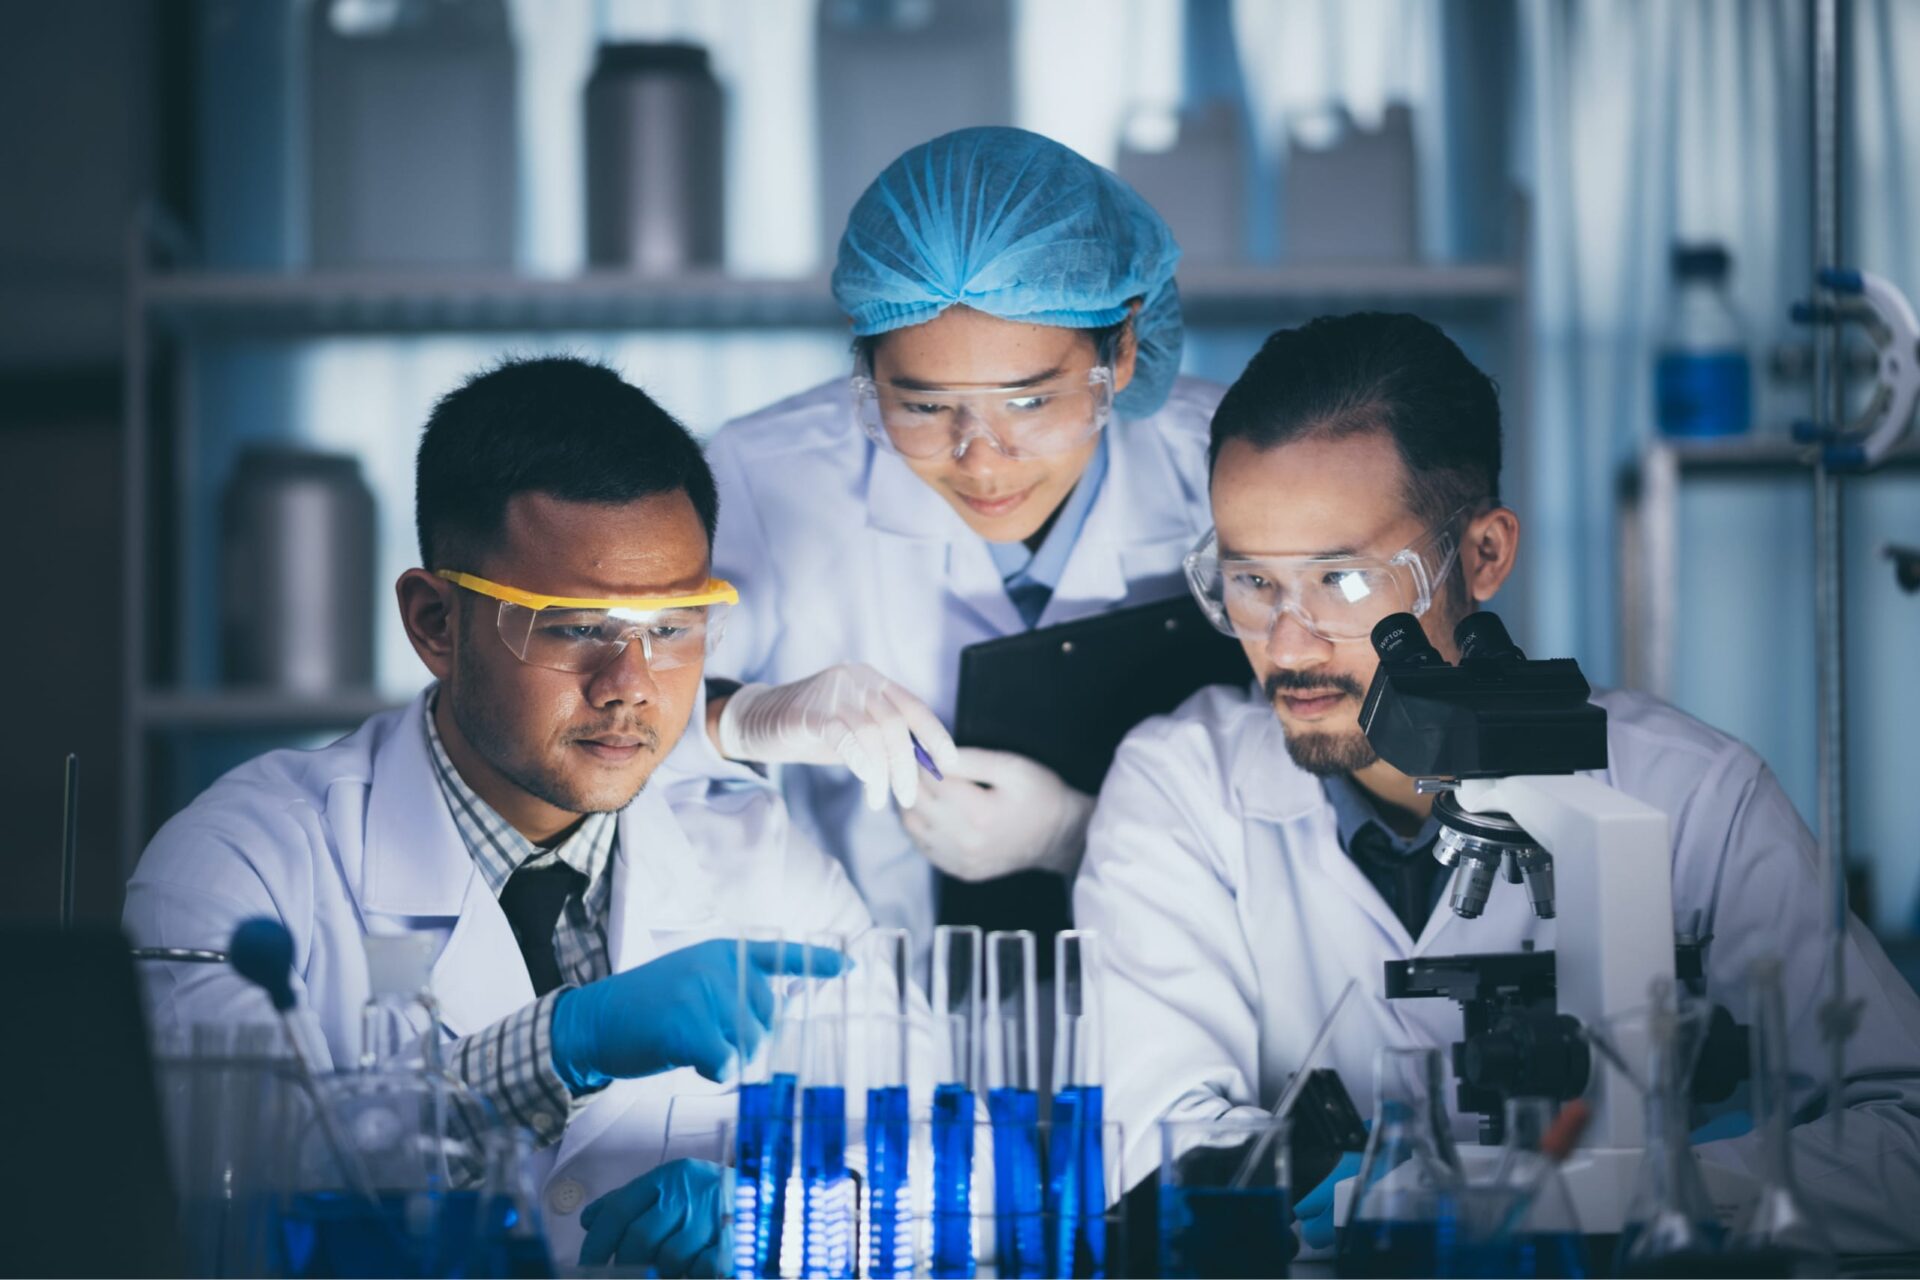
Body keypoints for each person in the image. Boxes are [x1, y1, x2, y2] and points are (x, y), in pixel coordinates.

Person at [1074, 312, 1920, 1255]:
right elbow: (1155, 1142)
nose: (1286, 644)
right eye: (1250, 582)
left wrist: (1652, 1189)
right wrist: (1376, 1200)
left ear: (1482, 555)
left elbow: (1906, 1132)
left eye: (1344, 583)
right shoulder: (1180, 789)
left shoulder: (1693, 795)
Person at [125, 356, 905, 1273]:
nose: (631, 687)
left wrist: (783, 1215)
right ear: (434, 622)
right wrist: (559, 1044)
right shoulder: (243, 863)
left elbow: (930, 1166)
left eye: (673, 625)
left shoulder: (764, 860)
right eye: (574, 625)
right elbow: (211, 1189)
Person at [703, 126, 1224, 948]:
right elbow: (613, 740)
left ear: (1122, 350)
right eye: (921, 406)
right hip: (869, 1012)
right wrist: (737, 718)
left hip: (1182, 1000)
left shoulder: (1224, 466)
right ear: (866, 372)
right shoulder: (766, 478)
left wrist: (1083, 834)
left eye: (1029, 403)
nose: (982, 460)